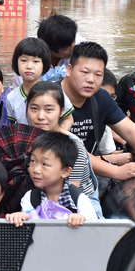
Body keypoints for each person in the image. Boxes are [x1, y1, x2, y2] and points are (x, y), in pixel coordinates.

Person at [60, 42, 135, 186]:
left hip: (83, 176)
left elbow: (131, 131)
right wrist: (116, 171)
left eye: (98, 74)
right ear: (69, 69)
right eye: (84, 72)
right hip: (54, 174)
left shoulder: (101, 98)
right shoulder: (49, 98)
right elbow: (69, 149)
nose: (91, 80)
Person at [26, 81, 102, 217]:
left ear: (61, 111)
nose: (40, 116)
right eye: (34, 109)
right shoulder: (25, 139)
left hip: (80, 206)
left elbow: (71, 190)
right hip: (41, 198)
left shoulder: (73, 145)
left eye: (49, 110)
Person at [6, 132, 98, 227]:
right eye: (33, 161)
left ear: (65, 171)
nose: (36, 170)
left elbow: (94, 229)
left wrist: (81, 220)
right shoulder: (30, 197)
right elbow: (28, 228)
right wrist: (21, 218)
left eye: (45, 164)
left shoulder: (78, 199)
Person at [7, 37, 74, 128]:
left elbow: (68, 119)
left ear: (44, 64)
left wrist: (56, 134)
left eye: (36, 61)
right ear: (16, 63)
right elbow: (12, 125)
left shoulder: (54, 91)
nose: (29, 66)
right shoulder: (11, 97)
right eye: (24, 60)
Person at [12, 14, 84, 88]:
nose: (73, 48)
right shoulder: (26, 51)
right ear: (48, 48)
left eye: (74, 42)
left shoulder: (81, 46)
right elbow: (23, 88)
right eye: (67, 49)